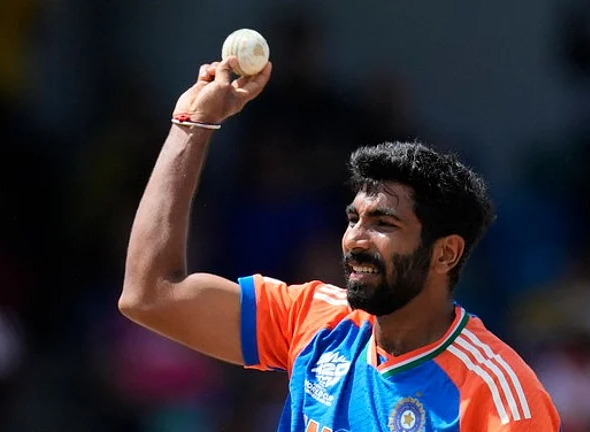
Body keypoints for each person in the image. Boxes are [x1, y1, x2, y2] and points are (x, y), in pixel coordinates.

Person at [119, 55, 561, 431]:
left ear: (445, 252)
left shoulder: (499, 400)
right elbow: (150, 296)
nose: (355, 239)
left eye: (383, 222)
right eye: (353, 218)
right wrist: (191, 126)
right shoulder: (314, 319)